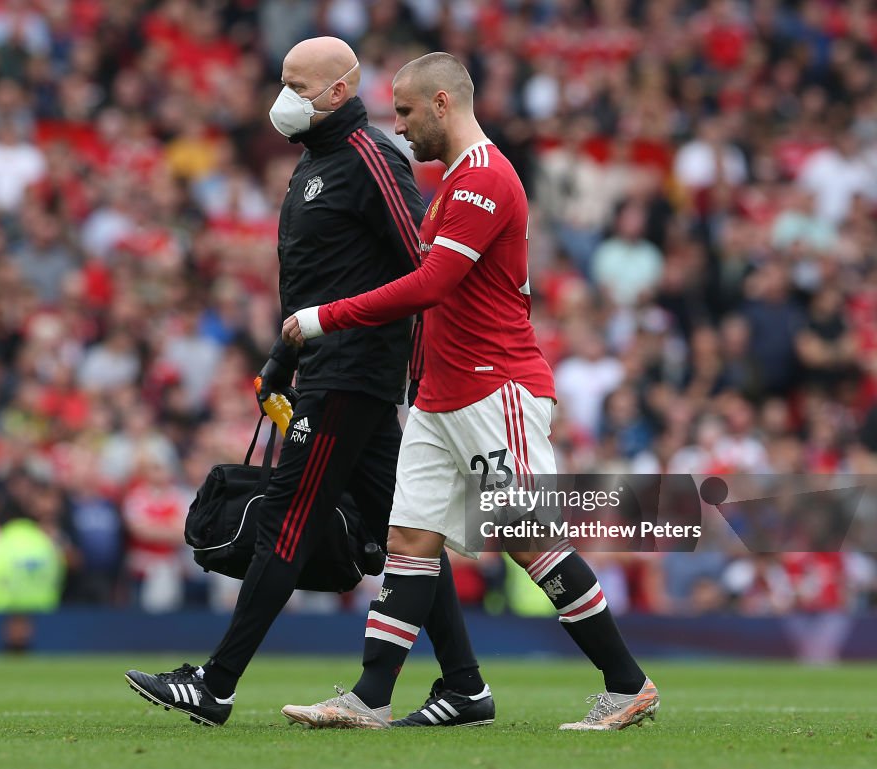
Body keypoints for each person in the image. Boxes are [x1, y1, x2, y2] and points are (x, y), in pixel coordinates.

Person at [280, 52, 659, 731]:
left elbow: (430, 287)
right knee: (409, 539)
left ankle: (627, 682)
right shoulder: (457, 179)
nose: (398, 126)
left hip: (495, 386)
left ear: (442, 104)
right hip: (439, 395)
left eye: (404, 111)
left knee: (524, 536)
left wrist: (325, 316)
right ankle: (370, 696)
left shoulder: (486, 178)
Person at [123, 37, 489, 728]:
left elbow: (424, 264)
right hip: (333, 370)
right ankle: (466, 686)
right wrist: (280, 362)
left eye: (297, 84)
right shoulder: (316, 164)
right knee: (404, 534)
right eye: (283, 81)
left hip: (352, 373)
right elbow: (313, 286)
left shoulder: (372, 157)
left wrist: (391, 357)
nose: (284, 96)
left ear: (338, 92)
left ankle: (217, 683)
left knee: (289, 520)